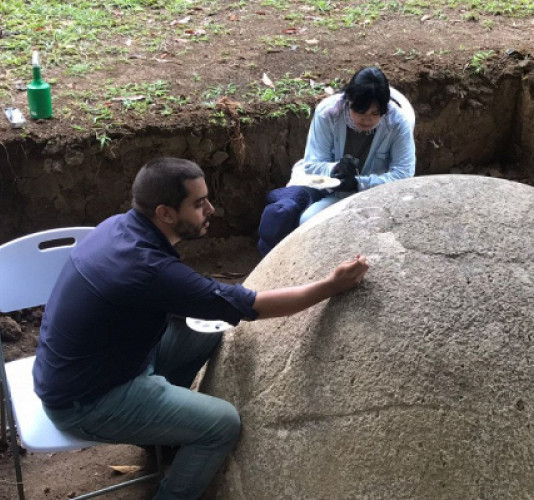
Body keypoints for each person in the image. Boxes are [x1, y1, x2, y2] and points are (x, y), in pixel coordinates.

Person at [32, 157, 369, 500]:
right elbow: (252, 306)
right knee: (223, 425)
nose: (212, 209)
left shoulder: (117, 227)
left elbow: (172, 301)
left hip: (91, 367)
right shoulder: (149, 269)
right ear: (165, 213)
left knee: (204, 330)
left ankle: (157, 435)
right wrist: (330, 286)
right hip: (87, 401)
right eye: (198, 203)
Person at [287, 66, 416, 225]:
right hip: (331, 192)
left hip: (377, 196)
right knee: (307, 220)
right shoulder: (328, 113)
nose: (367, 120)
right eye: (361, 112)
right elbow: (313, 163)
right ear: (349, 101)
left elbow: (404, 174)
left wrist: (359, 183)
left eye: (375, 114)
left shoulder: (397, 123)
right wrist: (335, 169)